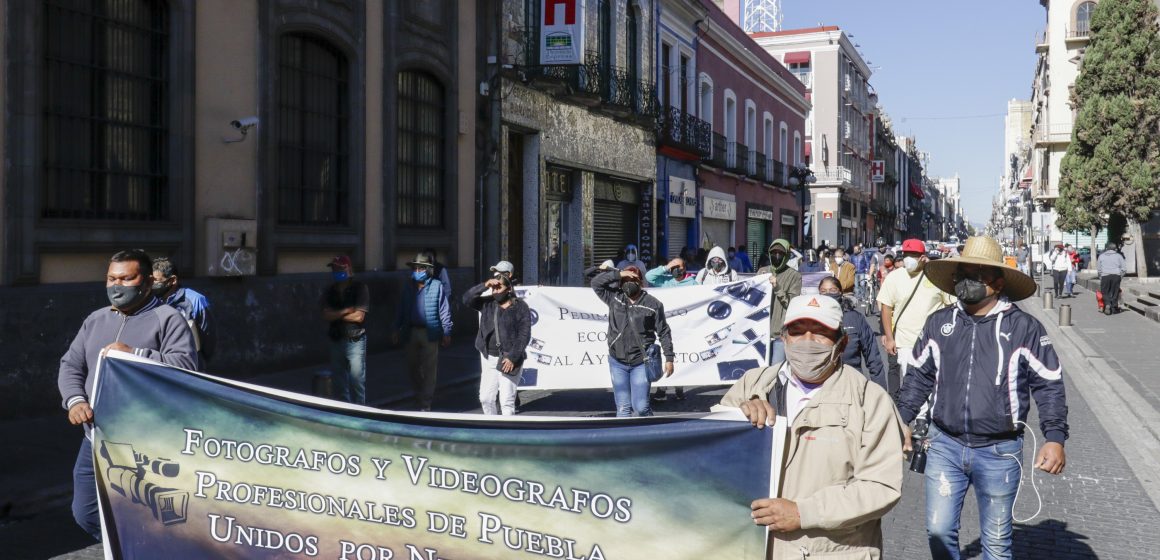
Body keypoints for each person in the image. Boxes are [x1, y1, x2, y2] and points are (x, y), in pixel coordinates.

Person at [898, 236, 1068, 560]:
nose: (968, 281)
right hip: (944, 444)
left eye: (978, 273)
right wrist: (899, 420)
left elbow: (1049, 384)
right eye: (964, 272)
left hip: (1000, 452)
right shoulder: (939, 323)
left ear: (998, 283)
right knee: (937, 530)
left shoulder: (1024, 328)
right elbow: (918, 376)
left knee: (996, 544)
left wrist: (1054, 438)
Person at [718, 294, 903, 559]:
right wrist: (738, 414)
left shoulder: (869, 401)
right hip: (754, 546)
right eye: (797, 331)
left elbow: (881, 486)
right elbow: (707, 446)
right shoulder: (753, 384)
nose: (807, 342)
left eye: (820, 333)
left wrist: (804, 512)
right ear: (784, 338)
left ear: (842, 343)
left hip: (830, 551)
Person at [58, 249, 199, 541]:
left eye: (126, 278)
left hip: (146, 444)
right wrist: (75, 401)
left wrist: (136, 354)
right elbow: (71, 365)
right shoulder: (96, 320)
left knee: (146, 514)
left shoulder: (168, 319)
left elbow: (185, 369)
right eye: (111, 278)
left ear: (146, 282)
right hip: (97, 440)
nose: (117, 285)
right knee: (85, 512)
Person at [591, 266, 676, 416]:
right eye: (625, 280)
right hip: (617, 361)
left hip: (641, 362)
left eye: (633, 280)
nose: (628, 283)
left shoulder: (653, 304)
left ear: (640, 282)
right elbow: (596, 283)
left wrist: (669, 358)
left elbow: (663, 332)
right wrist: (618, 273)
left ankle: (651, 434)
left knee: (641, 407)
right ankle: (623, 439)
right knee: (623, 408)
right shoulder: (615, 297)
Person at [877, 238, 954, 399]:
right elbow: (886, 308)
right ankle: (918, 420)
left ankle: (927, 416)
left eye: (914, 254)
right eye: (906, 254)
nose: (909, 258)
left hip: (934, 342)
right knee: (911, 383)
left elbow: (950, 305)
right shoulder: (894, 277)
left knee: (934, 383)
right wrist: (889, 338)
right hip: (905, 342)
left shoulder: (936, 276)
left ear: (922, 256)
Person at [392, 253, 453, 411]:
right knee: (412, 367)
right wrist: (395, 328)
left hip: (430, 332)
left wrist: (446, 331)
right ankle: (418, 395)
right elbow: (401, 309)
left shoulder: (437, 285)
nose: (417, 270)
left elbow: (444, 311)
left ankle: (425, 403)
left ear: (428, 270)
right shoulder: (408, 286)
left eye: (421, 268)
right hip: (411, 331)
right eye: (415, 268)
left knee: (429, 370)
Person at [464, 273, 531, 415]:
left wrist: (513, 357)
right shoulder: (487, 303)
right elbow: (467, 299)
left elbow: (524, 334)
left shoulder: (520, 307)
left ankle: (508, 433)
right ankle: (492, 427)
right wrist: (484, 285)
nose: (495, 291)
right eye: (493, 288)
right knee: (486, 398)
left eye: (498, 287)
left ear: (508, 289)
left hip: (509, 359)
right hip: (489, 358)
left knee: (506, 401)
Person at [818, 276, 888, 390]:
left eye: (832, 290)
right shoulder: (812, 321)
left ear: (840, 292)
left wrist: (881, 392)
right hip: (823, 387)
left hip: (853, 385)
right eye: (823, 291)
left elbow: (873, 358)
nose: (828, 294)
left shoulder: (855, 318)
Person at [321, 255, 370, 404]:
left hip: (355, 339)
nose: (336, 271)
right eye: (334, 268)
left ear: (348, 269)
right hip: (336, 339)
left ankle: (360, 411)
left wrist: (336, 315)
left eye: (339, 268)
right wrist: (346, 311)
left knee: (356, 380)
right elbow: (326, 315)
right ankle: (345, 412)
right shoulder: (330, 290)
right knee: (339, 382)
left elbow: (359, 317)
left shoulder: (360, 288)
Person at [151, 257, 215, 367]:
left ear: (172, 280)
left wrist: (200, 362)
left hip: (188, 365)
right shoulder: (151, 301)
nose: (152, 285)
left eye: (156, 281)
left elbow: (208, 338)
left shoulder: (195, 300)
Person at [756, 239, 803, 366]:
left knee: (776, 369)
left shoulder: (794, 276)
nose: (776, 256)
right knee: (760, 371)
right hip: (760, 332)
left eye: (780, 253)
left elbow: (791, 303)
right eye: (773, 252)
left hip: (779, 333)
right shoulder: (762, 271)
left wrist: (777, 287)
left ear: (787, 255)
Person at [1098, 242, 1127, 315]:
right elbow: (1124, 269)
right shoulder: (1119, 256)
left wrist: (1100, 277)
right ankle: (1114, 308)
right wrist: (1120, 276)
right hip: (1116, 275)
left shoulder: (1101, 256)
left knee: (1104, 292)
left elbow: (1099, 269)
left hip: (1105, 275)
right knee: (1115, 292)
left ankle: (1107, 304)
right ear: (1115, 249)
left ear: (1107, 248)